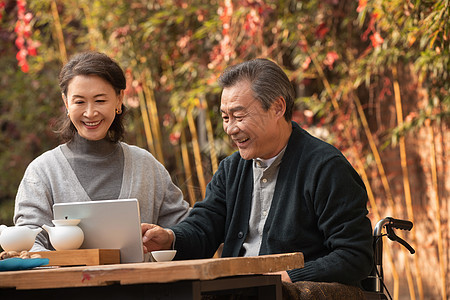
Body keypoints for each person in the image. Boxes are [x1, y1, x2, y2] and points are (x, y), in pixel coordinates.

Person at [141, 58, 373, 286]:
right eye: (225, 118)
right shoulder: (231, 170)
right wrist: (170, 238)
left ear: (278, 108)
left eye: (239, 116)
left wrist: (289, 278)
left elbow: (355, 256)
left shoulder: (325, 167)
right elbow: (204, 227)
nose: (231, 129)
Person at [14, 51, 190, 252]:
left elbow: (187, 230)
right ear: (66, 103)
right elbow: (27, 242)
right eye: (79, 102)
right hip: (67, 284)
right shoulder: (42, 172)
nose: (90, 113)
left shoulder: (146, 166)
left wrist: (167, 237)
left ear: (119, 99)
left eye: (100, 100)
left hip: (143, 283)